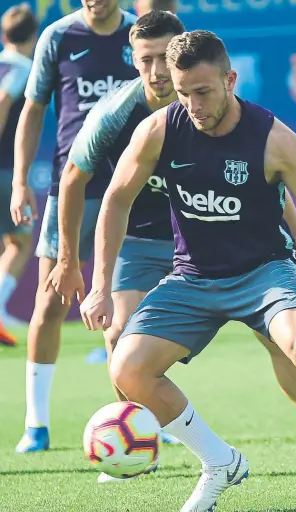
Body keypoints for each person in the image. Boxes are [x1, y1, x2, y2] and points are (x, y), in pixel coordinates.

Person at [80, 30, 296, 512]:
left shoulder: (274, 138)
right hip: (192, 277)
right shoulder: (158, 129)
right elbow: (114, 202)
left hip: (265, 274)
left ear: (230, 80)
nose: (192, 103)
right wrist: (99, 287)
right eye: (183, 91)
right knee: (127, 369)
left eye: (204, 91)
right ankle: (220, 463)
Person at [47, 11, 296, 477]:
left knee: (280, 340)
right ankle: (137, 444)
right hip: (147, 238)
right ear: (134, 59)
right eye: (146, 60)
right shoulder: (116, 114)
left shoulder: (218, 105)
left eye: (164, 60)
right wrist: (71, 261)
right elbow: (74, 180)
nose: (158, 72)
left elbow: (267, 184)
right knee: (118, 335)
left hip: (225, 235)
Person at [11, 0, 139, 453]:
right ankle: (36, 424)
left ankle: (134, 423)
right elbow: (32, 109)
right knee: (49, 303)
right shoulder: (59, 37)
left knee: (122, 314)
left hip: (132, 189)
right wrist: (21, 180)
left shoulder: (139, 35)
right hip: (72, 189)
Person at [0, 4, 38, 345]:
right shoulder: (24, 68)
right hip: (4, 170)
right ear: (35, 36)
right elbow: (3, 100)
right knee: (22, 239)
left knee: (8, 240)